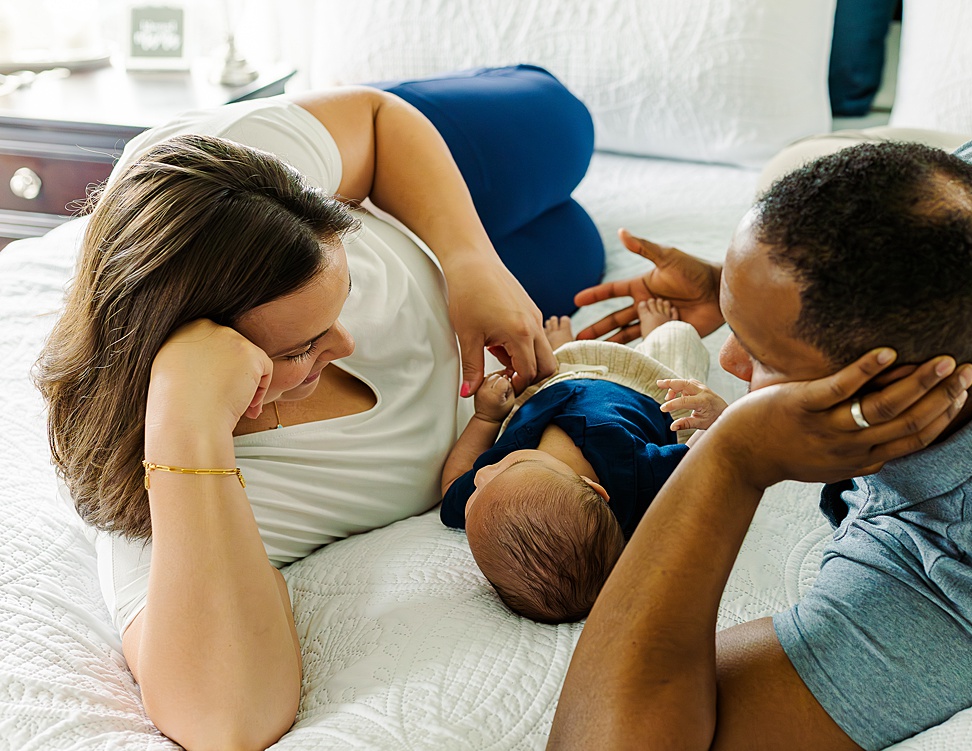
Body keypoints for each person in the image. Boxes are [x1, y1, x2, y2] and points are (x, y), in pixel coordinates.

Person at [32, 66, 599, 751]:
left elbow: (378, 124)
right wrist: (186, 423)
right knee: (582, 247)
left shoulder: (221, 179)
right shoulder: (172, 491)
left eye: (344, 292)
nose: (348, 343)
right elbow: (228, 722)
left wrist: (470, 259)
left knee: (566, 127)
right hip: (484, 335)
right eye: (303, 346)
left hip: (425, 219)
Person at [548, 129, 972, 750]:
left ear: (901, 392)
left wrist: (733, 459)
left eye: (764, 357)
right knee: (789, 158)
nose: (729, 360)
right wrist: (748, 293)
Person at [440, 301, 729, 623]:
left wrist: (486, 418)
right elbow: (712, 456)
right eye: (503, 469)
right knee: (678, 337)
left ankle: (561, 347)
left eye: (472, 501)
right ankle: (656, 331)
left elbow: (451, 485)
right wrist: (719, 416)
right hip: (648, 385)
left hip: (554, 381)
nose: (480, 474)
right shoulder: (639, 477)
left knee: (535, 357)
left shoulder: (488, 508)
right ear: (595, 489)